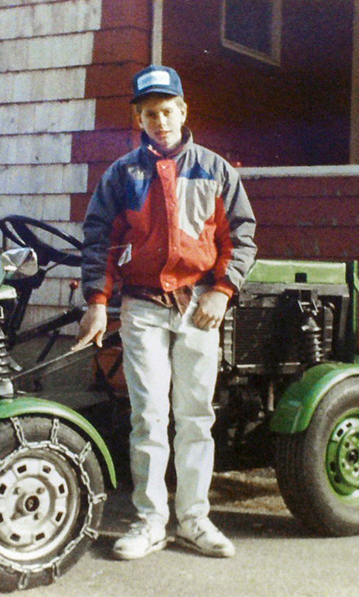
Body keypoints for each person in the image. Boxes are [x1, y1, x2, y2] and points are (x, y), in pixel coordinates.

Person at [74, 65, 257, 561]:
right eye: (149, 112)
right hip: (143, 307)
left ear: (183, 111)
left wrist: (222, 291)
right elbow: (100, 241)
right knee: (149, 417)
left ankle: (195, 520)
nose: (160, 120)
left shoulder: (216, 170)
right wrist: (95, 304)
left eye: (167, 110)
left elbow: (239, 238)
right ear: (139, 116)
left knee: (196, 416)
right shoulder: (122, 175)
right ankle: (150, 520)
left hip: (199, 306)